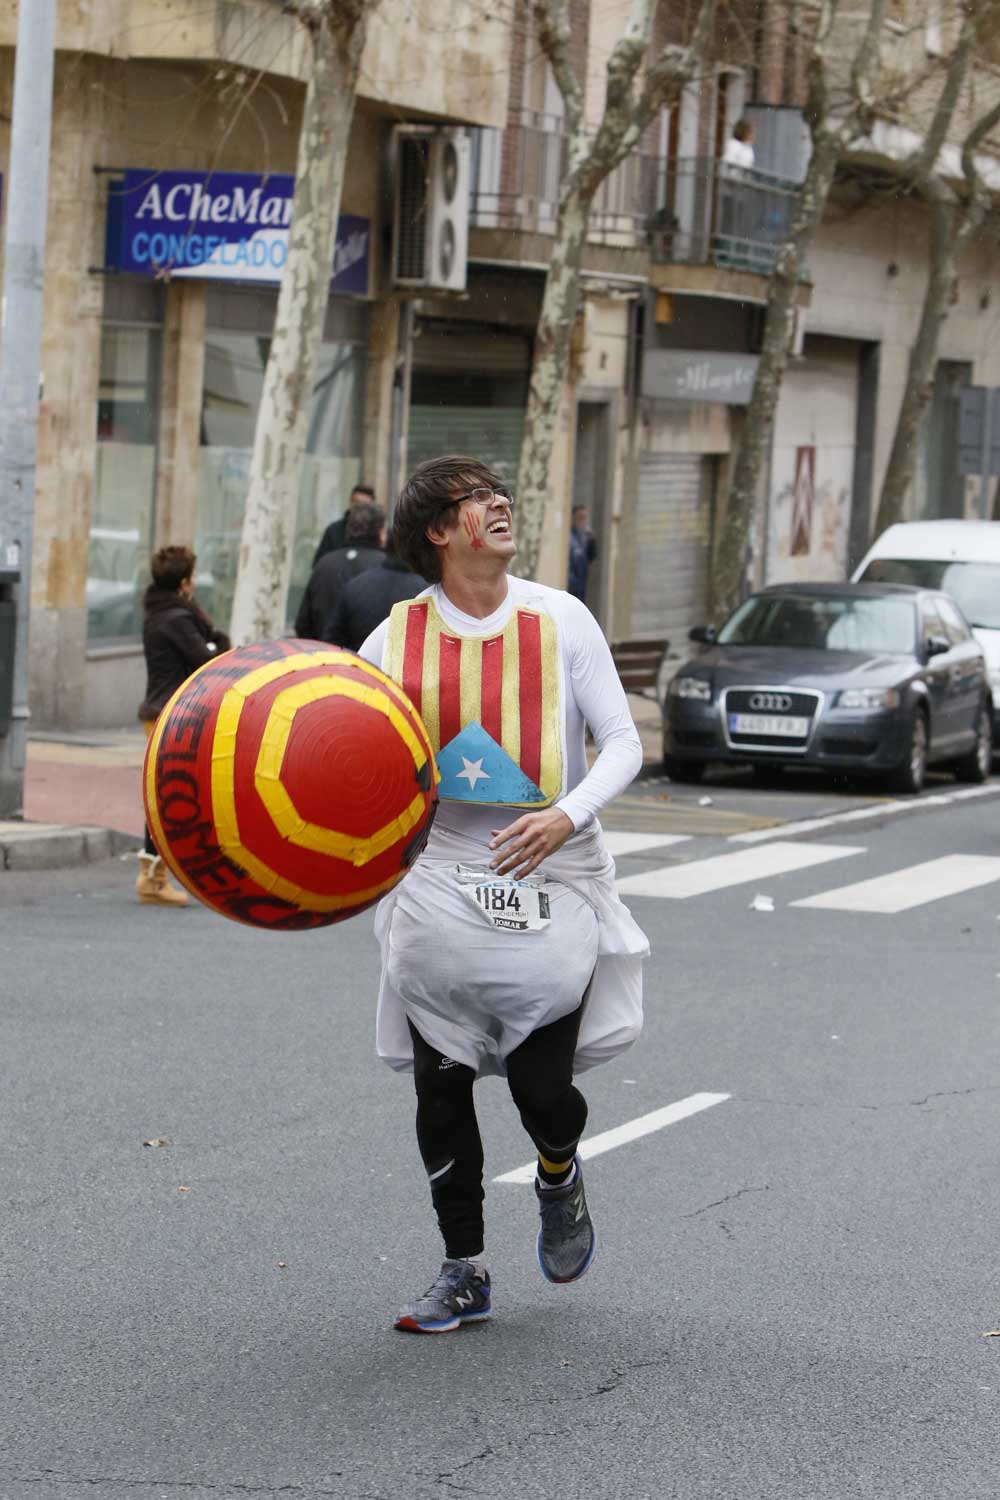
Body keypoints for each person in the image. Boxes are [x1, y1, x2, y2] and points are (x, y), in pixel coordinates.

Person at [358, 455, 648, 1334]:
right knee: (440, 1088)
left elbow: (625, 742)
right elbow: (352, 765)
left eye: (501, 495)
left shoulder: (560, 618)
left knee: (537, 1089)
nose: (500, 506)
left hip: (550, 876)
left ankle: (558, 1170)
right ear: (439, 534)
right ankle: (463, 1270)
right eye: (475, 500)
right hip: (442, 876)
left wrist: (565, 817)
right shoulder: (390, 642)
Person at [136, 545, 230, 907]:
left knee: (171, 790)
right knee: (165, 793)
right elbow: (207, 659)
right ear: (186, 582)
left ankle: (159, 872)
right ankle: (153, 877)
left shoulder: (160, 613)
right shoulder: (176, 618)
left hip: (163, 710)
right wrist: (219, 640)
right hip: (171, 714)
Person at [294, 501, 385, 640]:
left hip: (326, 656)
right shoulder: (384, 567)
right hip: (367, 659)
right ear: (380, 532)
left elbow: (303, 624)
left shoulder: (324, 564)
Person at [322, 534, 427, 652]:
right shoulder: (425, 593)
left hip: (360, 666)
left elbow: (332, 640)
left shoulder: (356, 585)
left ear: (386, 546)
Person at [312, 483, 376, 565]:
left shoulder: (378, 534)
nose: (360, 508)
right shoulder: (334, 531)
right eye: (356, 503)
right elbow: (319, 564)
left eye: (365, 505)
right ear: (350, 503)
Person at [567, 505, 598, 603]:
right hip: (571, 584)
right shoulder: (569, 537)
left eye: (584, 518)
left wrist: (592, 542)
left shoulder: (585, 538)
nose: (582, 521)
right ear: (573, 518)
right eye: (580, 518)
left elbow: (590, 558)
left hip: (581, 584)